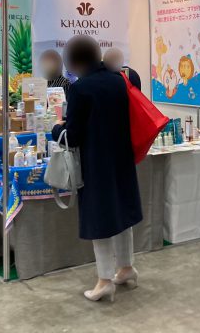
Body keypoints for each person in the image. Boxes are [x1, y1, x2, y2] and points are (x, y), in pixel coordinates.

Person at [52, 36, 142, 303]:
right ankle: (126, 267)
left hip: (96, 163)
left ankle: (104, 281)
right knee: (122, 213)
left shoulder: (80, 89)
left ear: (75, 61)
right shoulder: (118, 81)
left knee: (100, 218)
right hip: (122, 158)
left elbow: (73, 136)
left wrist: (56, 128)